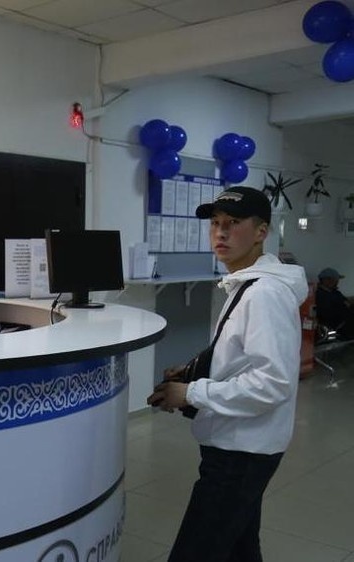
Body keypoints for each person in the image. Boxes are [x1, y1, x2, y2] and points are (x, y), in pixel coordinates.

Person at [147, 186, 308, 562]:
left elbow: (272, 383)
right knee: (239, 549)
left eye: (233, 222)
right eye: (215, 223)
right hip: (240, 444)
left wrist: (191, 393)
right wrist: (195, 371)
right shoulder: (247, 284)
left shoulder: (263, 294)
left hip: (241, 452)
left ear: (261, 231)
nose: (220, 232)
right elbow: (242, 356)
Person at [315, 267, 354, 340]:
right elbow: (327, 315)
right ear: (326, 280)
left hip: (346, 323)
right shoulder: (319, 295)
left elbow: (348, 304)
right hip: (336, 328)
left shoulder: (336, 293)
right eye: (335, 280)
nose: (337, 282)